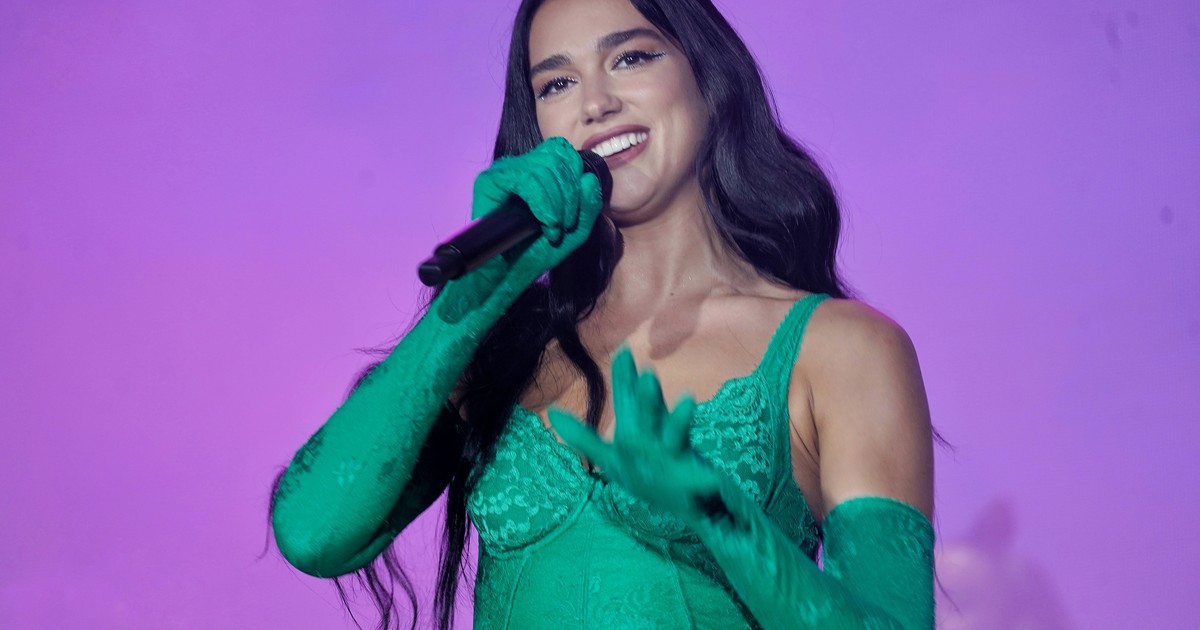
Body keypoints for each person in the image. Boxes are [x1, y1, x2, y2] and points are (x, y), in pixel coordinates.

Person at [270, 0, 935, 628]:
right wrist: (471, 303)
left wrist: (719, 515)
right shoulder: (502, 349)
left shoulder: (842, 347)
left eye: (631, 58)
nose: (595, 104)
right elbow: (312, 533)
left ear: (710, 80)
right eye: (557, 84)